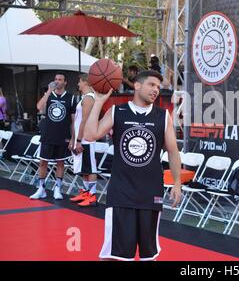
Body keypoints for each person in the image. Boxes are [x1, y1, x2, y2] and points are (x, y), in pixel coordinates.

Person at [84, 69, 182, 261]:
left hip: (150, 194)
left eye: (158, 87)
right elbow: (89, 135)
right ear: (137, 86)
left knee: (149, 256)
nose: (156, 90)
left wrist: (177, 183)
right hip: (122, 193)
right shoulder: (117, 111)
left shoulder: (163, 116)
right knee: (115, 255)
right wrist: (99, 102)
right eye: (151, 85)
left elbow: (173, 152)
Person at [30, 72, 76, 200]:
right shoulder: (49, 95)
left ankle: (57, 189)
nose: (57, 81)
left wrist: (73, 138)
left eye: (60, 79)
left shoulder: (71, 98)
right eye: (55, 79)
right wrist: (49, 91)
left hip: (63, 135)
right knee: (43, 162)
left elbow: (73, 121)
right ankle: (41, 189)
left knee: (60, 163)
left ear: (65, 82)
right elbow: (39, 107)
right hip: (48, 134)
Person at [69, 74, 98, 207]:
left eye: (79, 82)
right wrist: (73, 140)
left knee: (90, 168)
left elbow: (85, 121)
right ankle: (86, 192)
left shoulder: (89, 98)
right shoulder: (83, 98)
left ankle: (92, 195)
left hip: (86, 139)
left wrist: (79, 140)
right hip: (80, 139)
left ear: (85, 82)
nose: (78, 84)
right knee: (83, 168)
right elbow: (77, 121)